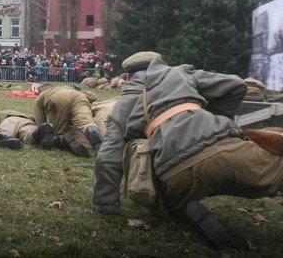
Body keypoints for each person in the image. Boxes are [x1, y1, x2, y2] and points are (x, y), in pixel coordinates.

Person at [92, 51, 283, 250]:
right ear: (160, 65)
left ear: (129, 77)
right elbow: (236, 85)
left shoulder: (121, 108)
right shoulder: (179, 73)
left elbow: (108, 158)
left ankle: (185, 208)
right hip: (223, 151)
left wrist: (105, 205)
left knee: (154, 169)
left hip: (174, 174)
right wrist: (215, 117)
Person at [34, 85, 104, 156]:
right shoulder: (69, 89)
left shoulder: (40, 98)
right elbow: (93, 97)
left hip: (58, 98)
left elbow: (41, 126)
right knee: (87, 123)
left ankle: (64, 140)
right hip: (78, 97)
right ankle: (98, 144)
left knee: (57, 134)